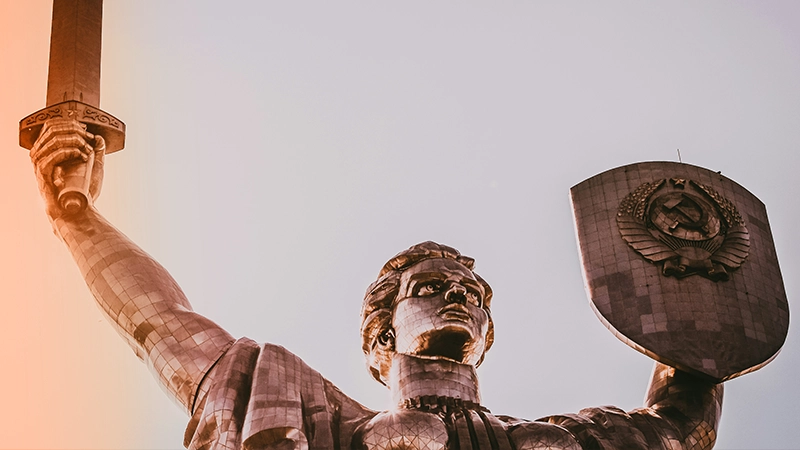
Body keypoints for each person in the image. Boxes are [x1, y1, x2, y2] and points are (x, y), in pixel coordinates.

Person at [30, 119, 722, 450]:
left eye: (474, 296)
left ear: (488, 335)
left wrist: (695, 290)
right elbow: (163, 325)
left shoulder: (565, 440)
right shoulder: (299, 410)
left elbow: (677, 424)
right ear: (381, 333)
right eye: (430, 288)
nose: (459, 298)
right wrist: (78, 217)